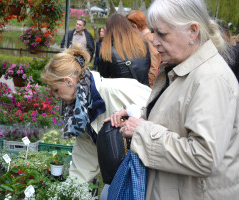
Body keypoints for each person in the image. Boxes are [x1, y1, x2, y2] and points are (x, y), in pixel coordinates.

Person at [106, 0, 239, 199]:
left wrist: (142, 131)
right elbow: (179, 113)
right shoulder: (187, 67)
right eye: (153, 32)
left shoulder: (210, 79)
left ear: (193, 31)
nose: (154, 40)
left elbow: (204, 156)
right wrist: (138, 114)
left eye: (162, 33)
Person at [41, 43, 151, 184]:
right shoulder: (80, 110)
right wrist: (70, 190)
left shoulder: (115, 91)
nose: (56, 97)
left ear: (68, 81)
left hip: (151, 168)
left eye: (56, 90)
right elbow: (85, 155)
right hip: (125, 173)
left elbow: (160, 111)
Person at [99, 14, 151, 87]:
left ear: (109, 30)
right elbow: (147, 68)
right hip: (145, 94)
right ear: (128, 27)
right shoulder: (144, 45)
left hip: (122, 95)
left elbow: (103, 79)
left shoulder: (107, 52)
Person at [127, 10, 161, 88]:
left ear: (134, 26)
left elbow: (153, 67)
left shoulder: (147, 40)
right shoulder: (149, 37)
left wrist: (150, 89)